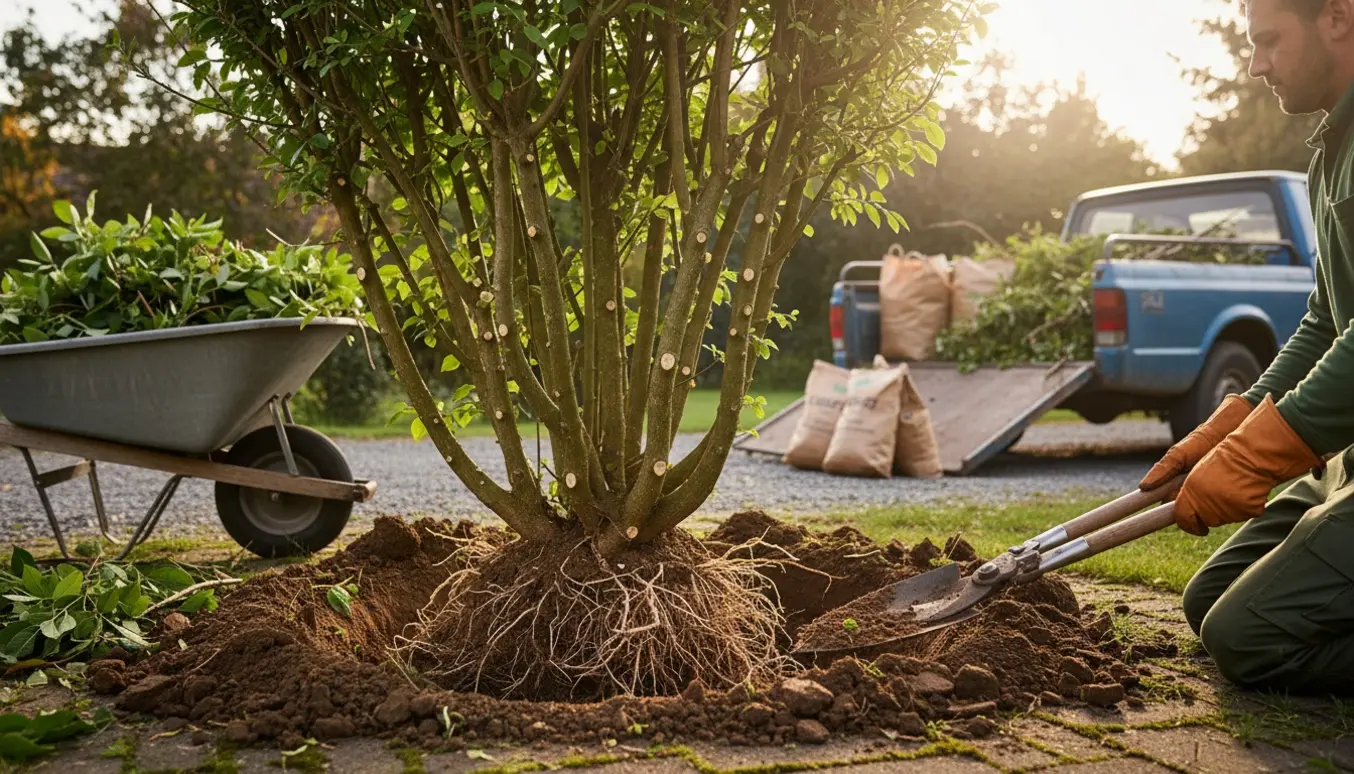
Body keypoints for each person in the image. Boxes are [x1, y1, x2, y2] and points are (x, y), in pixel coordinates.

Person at [1139, 0, 1354, 693]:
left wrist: (1263, 453)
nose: (1255, 65)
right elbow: (1327, 320)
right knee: (1206, 605)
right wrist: (1232, 422)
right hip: (1346, 463)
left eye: (1268, 42)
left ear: (1339, 17)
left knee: (1247, 639)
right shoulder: (1332, 153)